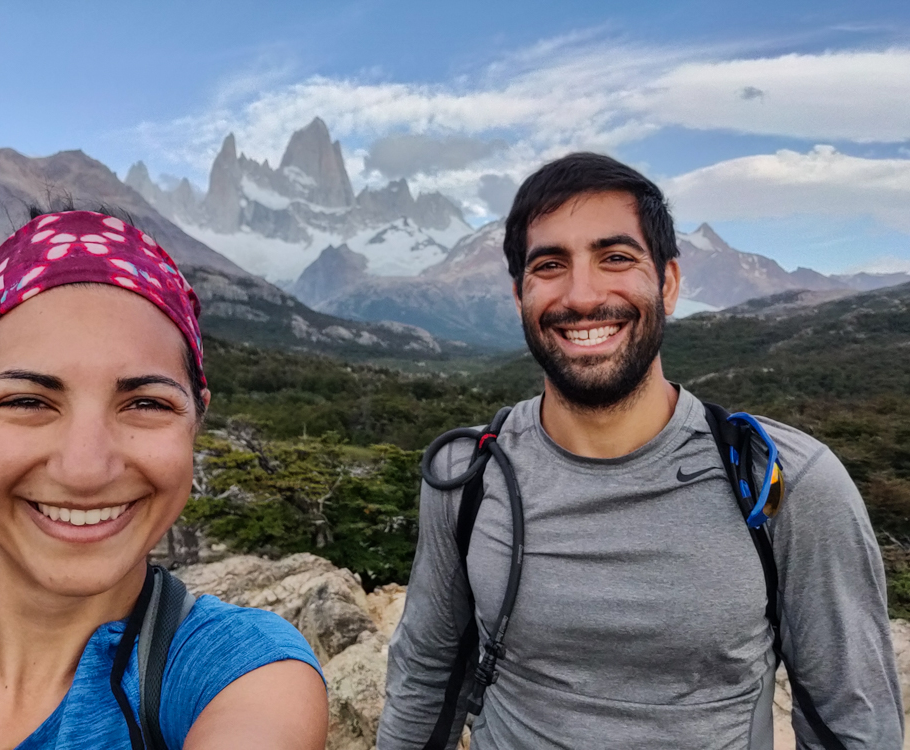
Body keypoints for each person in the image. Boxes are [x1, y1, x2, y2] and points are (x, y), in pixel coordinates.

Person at [376, 154, 903, 749]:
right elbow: (425, 678)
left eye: (616, 258)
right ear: (519, 295)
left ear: (670, 284)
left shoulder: (785, 479)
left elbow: (854, 723)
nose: (582, 295)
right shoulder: (467, 475)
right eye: (550, 265)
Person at [0, 210, 328, 749]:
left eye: (146, 404)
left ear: (195, 423)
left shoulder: (241, 673)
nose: (85, 471)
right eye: (28, 401)